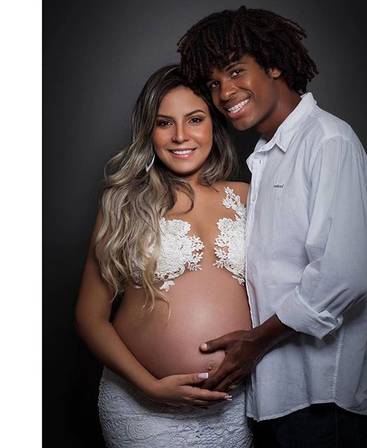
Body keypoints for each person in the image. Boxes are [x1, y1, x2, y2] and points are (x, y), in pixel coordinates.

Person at [178, 6, 367, 447]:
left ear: (273, 64)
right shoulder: (266, 156)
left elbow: (343, 276)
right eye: (213, 83)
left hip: (320, 397)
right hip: (273, 398)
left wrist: (255, 342)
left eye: (236, 71)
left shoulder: (328, 141)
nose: (224, 93)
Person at [75, 64, 254, 447]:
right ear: (148, 131)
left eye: (195, 119)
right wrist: (150, 387)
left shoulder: (246, 196)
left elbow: (296, 277)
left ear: (214, 125)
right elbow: (90, 317)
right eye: (164, 123)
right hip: (143, 408)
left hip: (232, 409)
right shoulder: (123, 203)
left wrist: (343, 321)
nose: (180, 136)